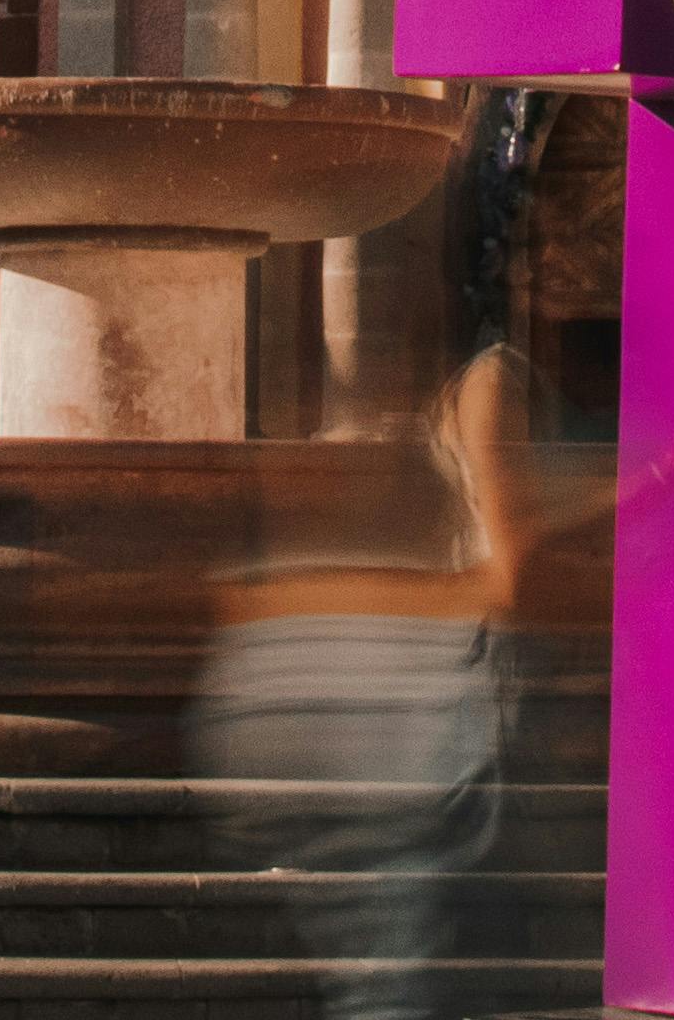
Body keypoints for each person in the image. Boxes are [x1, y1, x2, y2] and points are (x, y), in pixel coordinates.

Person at [192, 344, 539, 1020]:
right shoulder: (489, 381)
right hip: (421, 709)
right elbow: (511, 569)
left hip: (391, 709)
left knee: (398, 946)